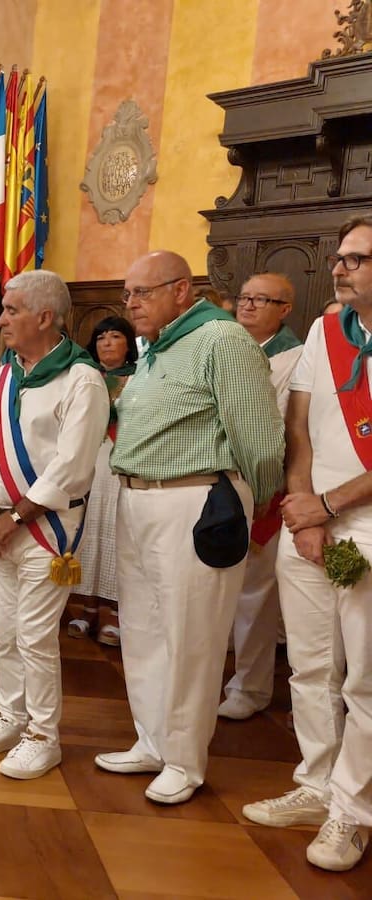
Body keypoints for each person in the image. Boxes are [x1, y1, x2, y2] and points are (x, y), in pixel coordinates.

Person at [98, 250, 284, 805]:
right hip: (138, 498)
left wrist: (254, 503)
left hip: (195, 499)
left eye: (143, 292)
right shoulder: (157, 347)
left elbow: (259, 436)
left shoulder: (221, 339)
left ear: (181, 290)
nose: (131, 304)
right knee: (143, 629)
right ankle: (152, 741)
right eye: (127, 294)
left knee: (191, 636)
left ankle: (184, 760)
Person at [242, 217, 372, 873]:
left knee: (366, 680)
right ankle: (318, 783)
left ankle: (354, 810)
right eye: (341, 257)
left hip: (364, 524)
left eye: (357, 258)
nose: (340, 268)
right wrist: (307, 510)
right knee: (312, 665)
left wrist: (329, 504)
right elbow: (299, 428)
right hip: (312, 522)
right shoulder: (326, 333)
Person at [0, 271, 109, 779]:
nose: (0, 320)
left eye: (12, 310)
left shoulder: (82, 379)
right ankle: (9, 716)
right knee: (4, 631)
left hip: (47, 528)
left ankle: (44, 735)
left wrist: (12, 519)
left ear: (44, 317)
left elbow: (72, 466)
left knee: (35, 635)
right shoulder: (2, 376)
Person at [218, 274, 303, 721]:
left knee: (254, 593)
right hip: (217, 483)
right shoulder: (226, 347)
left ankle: (250, 688)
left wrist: (268, 483)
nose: (247, 306)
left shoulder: (297, 358)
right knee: (217, 589)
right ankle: (215, 673)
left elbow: (289, 428)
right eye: (244, 298)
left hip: (266, 486)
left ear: (284, 309)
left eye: (260, 300)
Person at [67, 315, 138, 646]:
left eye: (115, 336)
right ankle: (87, 607)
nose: (107, 343)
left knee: (116, 533)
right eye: (101, 337)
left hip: (124, 461)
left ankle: (115, 611)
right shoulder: (84, 376)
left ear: (128, 343)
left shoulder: (140, 376)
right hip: (89, 460)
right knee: (88, 529)